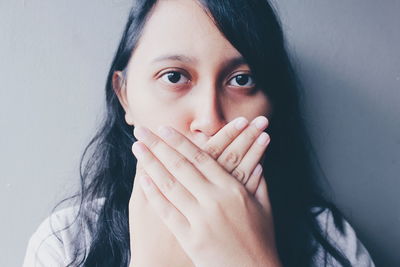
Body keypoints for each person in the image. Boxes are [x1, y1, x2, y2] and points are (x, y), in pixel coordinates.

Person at [23, 0, 376, 266]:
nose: (209, 120)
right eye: (174, 76)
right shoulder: (66, 243)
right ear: (125, 96)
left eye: (242, 79)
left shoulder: (328, 242)